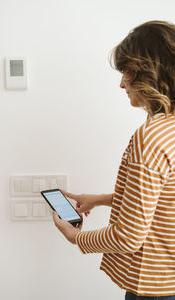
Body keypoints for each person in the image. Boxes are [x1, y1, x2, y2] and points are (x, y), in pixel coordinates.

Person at [53, 20, 175, 300]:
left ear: (153, 71)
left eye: (128, 72)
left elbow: (128, 237)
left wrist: (76, 238)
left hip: (155, 288)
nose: (122, 83)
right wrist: (102, 198)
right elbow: (164, 199)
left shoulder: (152, 137)